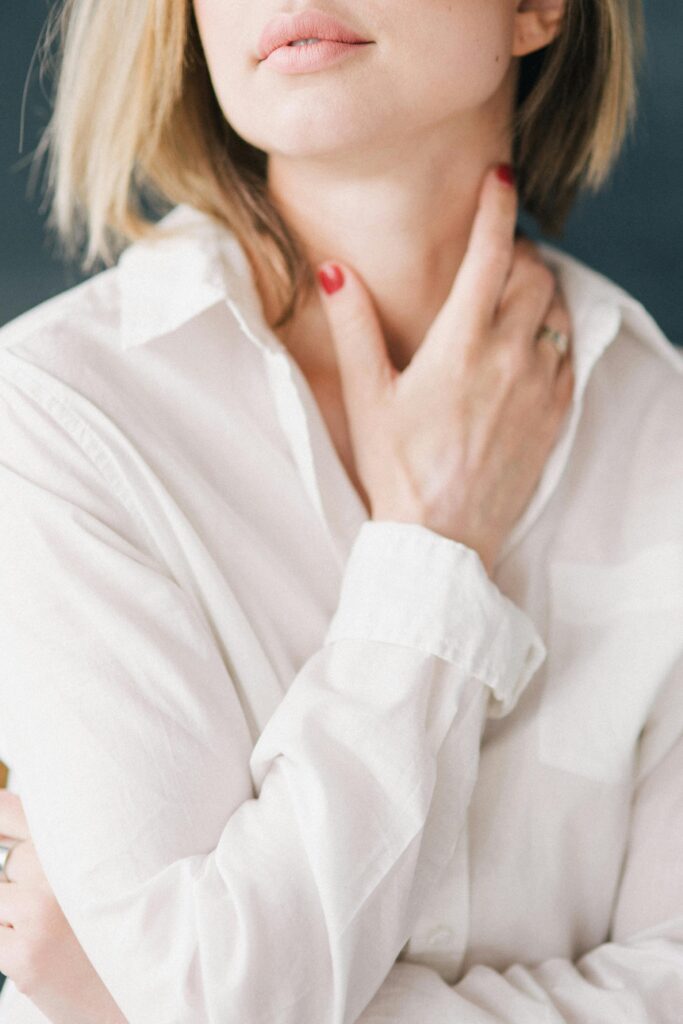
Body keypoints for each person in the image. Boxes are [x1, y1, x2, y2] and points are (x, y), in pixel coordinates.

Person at [0, 0, 681, 1021]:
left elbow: (202, 999)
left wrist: (129, 999)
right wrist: (432, 544)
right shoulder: (57, 416)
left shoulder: (659, 434)